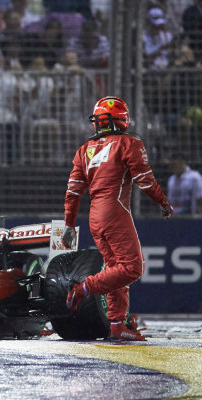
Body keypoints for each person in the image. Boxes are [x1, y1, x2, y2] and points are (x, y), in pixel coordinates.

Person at [61, 96, 173, 341]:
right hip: (115, 211)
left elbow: (72, 192)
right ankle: (83, 289)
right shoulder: (129, 143)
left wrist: (69, 225)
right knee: (133, 268)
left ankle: (116, 325)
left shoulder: (83, 150)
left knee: (115, 269)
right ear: (123, 119)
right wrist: (163, 202)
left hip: (95, 217)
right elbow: (145, 181)